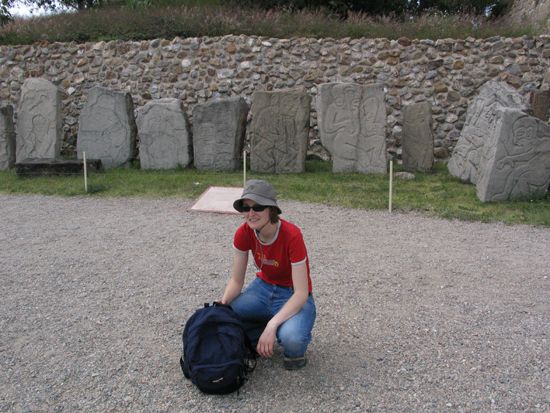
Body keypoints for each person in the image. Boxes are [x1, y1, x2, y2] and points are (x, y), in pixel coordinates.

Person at [220, 179, 316, 370]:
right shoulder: (243, 233)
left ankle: (276, 329)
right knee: (227, 317)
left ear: (271, 209)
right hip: (262, 288)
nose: (251, 213)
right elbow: (236, 281)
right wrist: (221, 305)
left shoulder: (292, 235)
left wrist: (272, 325)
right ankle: (269, 328)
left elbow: (301, 293)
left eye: (258, 207)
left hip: (292, 293)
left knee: (293, 340)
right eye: (246, 208)